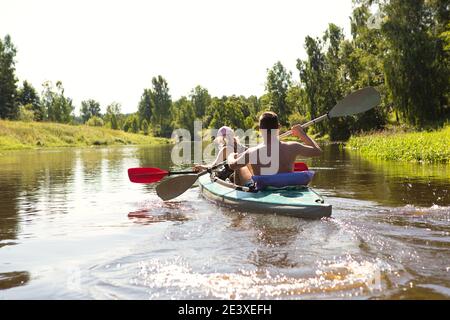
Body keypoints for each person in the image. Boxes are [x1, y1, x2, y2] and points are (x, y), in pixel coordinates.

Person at [227, 111, 322, 188]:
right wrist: (302, 134)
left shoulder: (252, 152)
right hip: (288, 187)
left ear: (260, 130)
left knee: (241, 167)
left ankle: (238, 195)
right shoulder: (293, 147)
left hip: (263, 190)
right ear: (279, 128)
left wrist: (231, 155)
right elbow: (317, 151)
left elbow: (232, 165)